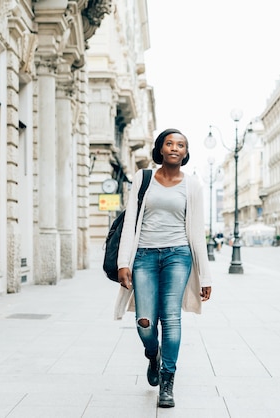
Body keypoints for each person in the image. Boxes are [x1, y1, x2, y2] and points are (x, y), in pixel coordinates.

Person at [114, 128, 212, 408]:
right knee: (144, 321)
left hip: (178, 256)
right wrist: (124, 262)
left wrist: (205, 275)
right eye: (169, 143)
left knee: (171, 318)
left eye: (180, 145)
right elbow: (131, 220)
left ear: (185, 152)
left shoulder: (192, 185)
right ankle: (152, 354)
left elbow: (196, 231)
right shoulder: (143, 178)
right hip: (143, 255)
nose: (175, 148)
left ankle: (167, 381)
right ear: (160, 149)